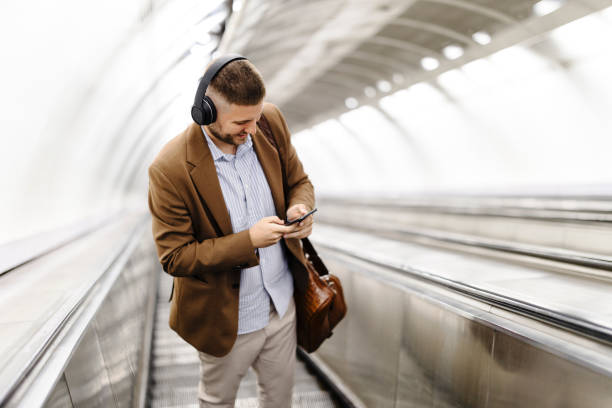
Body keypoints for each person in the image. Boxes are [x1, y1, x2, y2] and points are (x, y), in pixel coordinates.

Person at [147, 55, 315, 408]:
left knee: (280, 398)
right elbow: (175, 256)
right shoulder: (170, 169)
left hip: (280, 303)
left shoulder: (269, 121)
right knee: (217, 401)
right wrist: (247, 242)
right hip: (226, 319)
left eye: (255, 118)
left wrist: (299, 208)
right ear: (206, 113)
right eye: (241, 122)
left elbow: (298, 180)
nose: (252, 130)